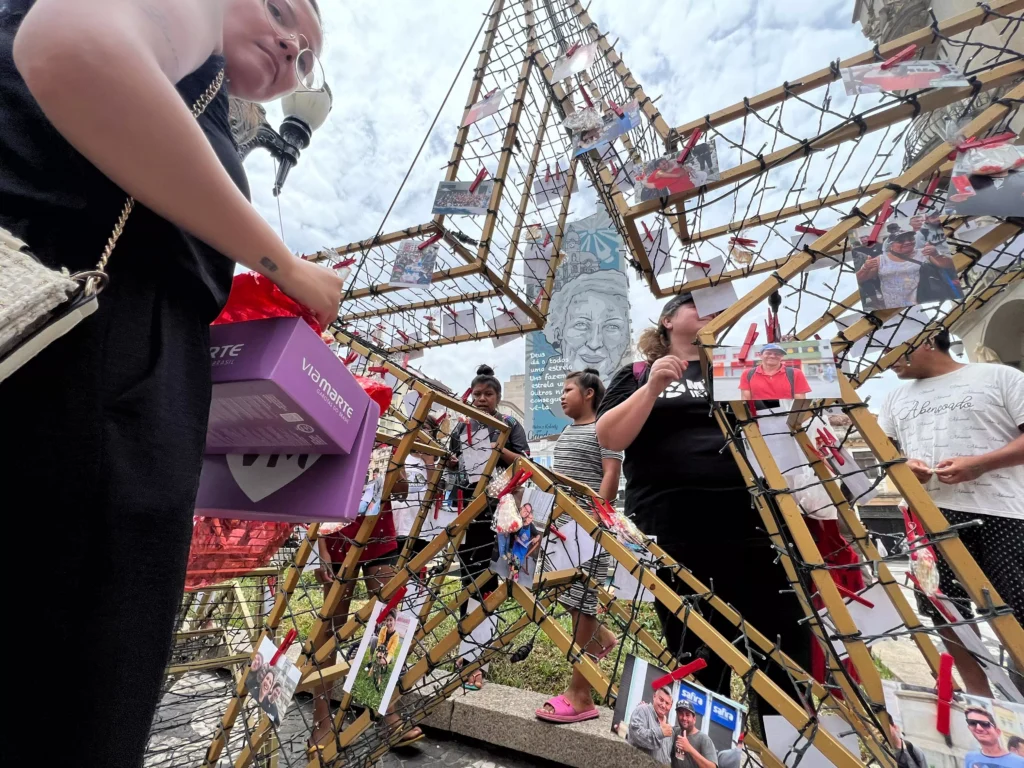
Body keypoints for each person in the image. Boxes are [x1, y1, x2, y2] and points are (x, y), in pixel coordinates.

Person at [0, 1, 341, 764]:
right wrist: (286, 267)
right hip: (81, 364)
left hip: (83, 365)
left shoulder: (207, 85)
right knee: (73, 692)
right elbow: (76, 49)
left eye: (308, 59)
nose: (293, 47)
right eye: (283, 10)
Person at [596, 292, 810, 717]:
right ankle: (706, 753)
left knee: (781, 649)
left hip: (756, 525)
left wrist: (791, 363)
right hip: (674, 530)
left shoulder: (739, 367)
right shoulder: (638, 373)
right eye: (698, 303)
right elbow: (609, 438)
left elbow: (790, 417)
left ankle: (784, 748)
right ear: (668, 320)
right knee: (696, 650)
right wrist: (654, 386)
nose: (713, 309)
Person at [879, 330, 1023, 696]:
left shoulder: (1001, 378)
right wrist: (904, 468)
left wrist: (981, 464)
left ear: (924, 340)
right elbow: (889, 458)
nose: (886, 360)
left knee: (1015, 607)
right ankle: (983, 702)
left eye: (892, 349)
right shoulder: (894, 400)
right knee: (946, 612)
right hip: (926, 518)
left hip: (1002, 511)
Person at [536, 369, 622, 724]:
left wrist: (592, 525)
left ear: (588, 394)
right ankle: (601, 641)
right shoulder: (570, 430)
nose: (562, 395)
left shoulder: (604, 429)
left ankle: (581, 694)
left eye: (568, 389)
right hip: (565, 528)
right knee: (567, 597)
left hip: (589, 528)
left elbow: (610, 476)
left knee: (584, 605)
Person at [449, 364, 530, 689]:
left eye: (488, 394)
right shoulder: (460, 427)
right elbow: (452, 470)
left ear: (497, 396)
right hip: (467, 514)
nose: (482, 399)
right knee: (469, 580)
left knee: (489, 581)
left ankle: (475, 659)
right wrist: (454, 463)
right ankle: (468, 653)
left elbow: (526, 464)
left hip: (501, 512)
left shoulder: (509, 425)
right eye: (477, 393)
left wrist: (496, 450)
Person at [543, 269, 631, 379]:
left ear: (627, 337)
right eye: (581, 325)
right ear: (558, 331)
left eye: (611, 326)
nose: (595, 344)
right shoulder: (542, 385)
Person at [737, 343, 811, 401]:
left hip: (787, 414)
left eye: (777, 354)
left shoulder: (796, 373)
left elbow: (800, 401)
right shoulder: (747, 374)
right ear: (760, 355)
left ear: (781, 356)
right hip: (757, 415)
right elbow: (745, 400)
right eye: (768, 353)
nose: (772, 356)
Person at [627, 686, 675, 765]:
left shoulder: (670, 730)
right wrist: (660, 732)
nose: (663, 705)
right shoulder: (642, 710)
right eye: (661, 700)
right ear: (654, 697)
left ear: (671, 706)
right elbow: (637, 736)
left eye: (667, 703)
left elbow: (666, 757)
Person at [671, 700, 718, 768]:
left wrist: (689, 748)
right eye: (681, 714)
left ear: (694, 719)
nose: (684, 718)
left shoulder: (704, 739)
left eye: (687, 715)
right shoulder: (675, 732)